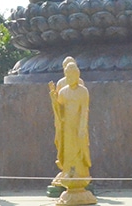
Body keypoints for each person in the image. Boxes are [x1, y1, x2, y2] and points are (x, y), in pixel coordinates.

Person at [49, 60, 96, 204]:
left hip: (78, 127)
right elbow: (60, 113)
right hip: (67, 127)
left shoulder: (83, 91)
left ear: (78, 74)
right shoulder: (63, 92)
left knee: (79, 150)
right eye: (68, 75)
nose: (70, 78)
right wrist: (54, 100)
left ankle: (80, 174)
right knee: (68, 151)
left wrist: (82, 127)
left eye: (73, 74)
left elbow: (84, 111)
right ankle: (68, 172)